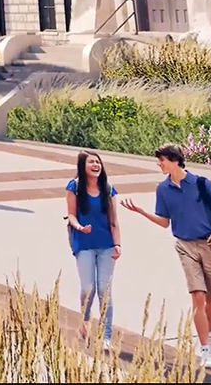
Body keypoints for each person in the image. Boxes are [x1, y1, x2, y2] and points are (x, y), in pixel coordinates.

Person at [121, 145, 211, 372]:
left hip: (209, 245)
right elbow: (165, 222)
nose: (159, 164)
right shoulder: (163, 189)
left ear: (174, 160)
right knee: (198, 296)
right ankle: (206, 349)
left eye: (162, 160)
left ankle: (206, 336)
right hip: (185, 246)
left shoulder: (200, 183)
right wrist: (142, 212)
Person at [66, 150, 123, 351]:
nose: (96, 165)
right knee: (88, 289)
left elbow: (114, 220)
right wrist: (79, 227)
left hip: (106, 244)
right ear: (83, 166)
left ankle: (106, 337)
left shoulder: (108, 189)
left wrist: (118, 244)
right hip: (84, 244)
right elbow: (71, 215)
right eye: (91, 162)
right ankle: (85, 318)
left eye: (98, 162)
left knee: (104, 290)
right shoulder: (74, 187)